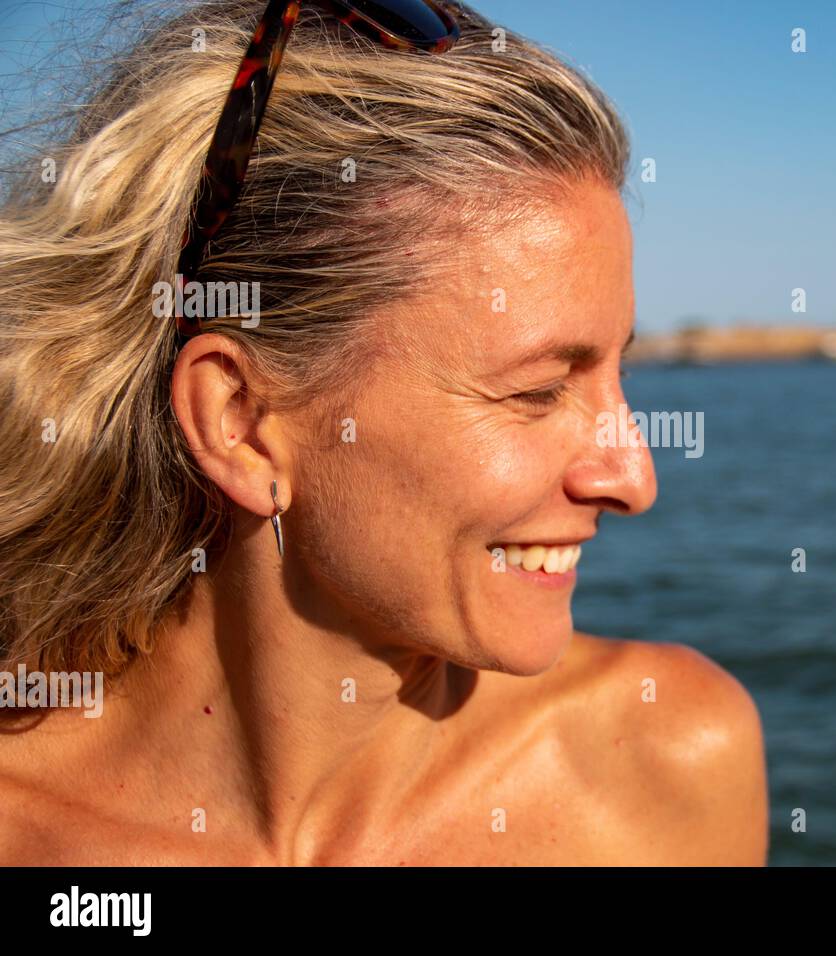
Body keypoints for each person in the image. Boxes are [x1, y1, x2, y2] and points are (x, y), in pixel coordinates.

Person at [0, 0, 767, 865]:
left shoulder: (662, 768)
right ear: (241, 423)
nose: (634, 478)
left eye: (617, 375)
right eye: (540, 389)